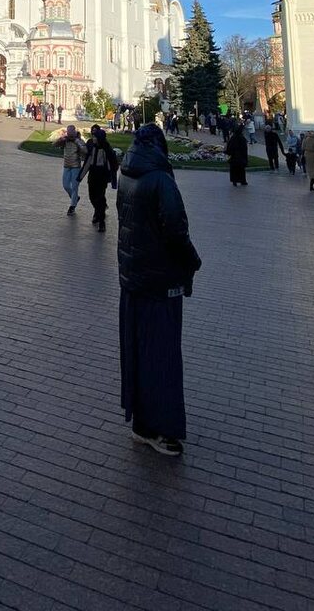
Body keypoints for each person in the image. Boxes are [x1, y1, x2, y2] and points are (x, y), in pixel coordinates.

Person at [117, 123, 201, 457]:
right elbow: (176, 231)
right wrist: (192, 262)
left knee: (137, 350)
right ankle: (159, 428)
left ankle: (140, 421)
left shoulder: (127, 173)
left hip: (133, 277)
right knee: (162, 355)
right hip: (159, 280)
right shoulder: (161, 179)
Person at [80, 125, 119, 231]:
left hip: (102, 177)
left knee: (100, 198)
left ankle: (101, 221)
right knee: (92, 197)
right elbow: (87, 163)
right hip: (92, 176)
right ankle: (98, 212)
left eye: (95, 137)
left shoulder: (107, 149)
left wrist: (112, 179)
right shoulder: (93, 148)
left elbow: (113, 164)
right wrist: (80, 177)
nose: (93, 139)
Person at [57, 124, 87, 215]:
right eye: (68, 132)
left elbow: (85, 151)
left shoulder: (79, 140)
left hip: (76, 167)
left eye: (71, 132)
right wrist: (61, 139)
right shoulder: (65, 140)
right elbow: (54, 144)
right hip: (66, 166)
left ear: (74, 131)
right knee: (66, 185)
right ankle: (75, 198)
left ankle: (72, 206)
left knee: (74, 187)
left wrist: (77, 142)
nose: (69, 134)